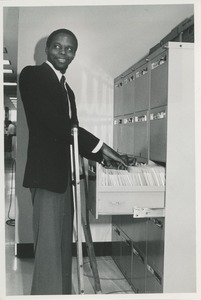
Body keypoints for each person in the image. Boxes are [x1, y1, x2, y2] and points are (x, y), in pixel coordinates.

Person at [19, 28, 129, 295]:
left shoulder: (67, 89)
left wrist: (102, 158)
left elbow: (73, 132)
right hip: (46, 177)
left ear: (74, 54)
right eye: (57, 47)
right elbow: (58, 125)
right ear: (47, 49)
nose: (63, 53)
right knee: (48, 249)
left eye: (69, 49)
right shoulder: (32, 76)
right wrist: (103, 148)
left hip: (65, 178)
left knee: (62, 248)